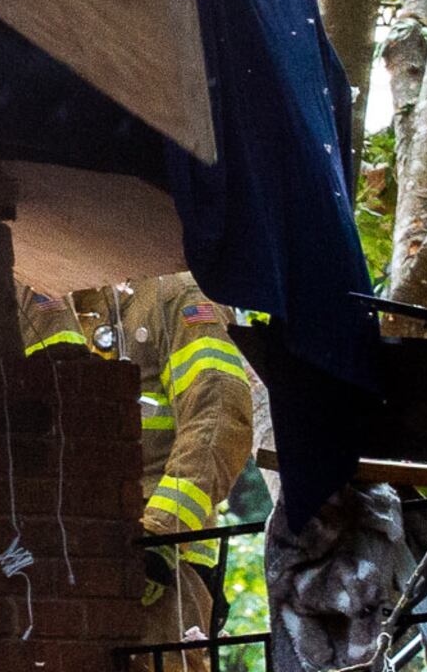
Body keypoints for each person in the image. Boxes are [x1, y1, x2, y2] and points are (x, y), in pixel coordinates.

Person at [22, 273, 259, 641]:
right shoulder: (41, 291)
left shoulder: (175, 295)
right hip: (69, 562)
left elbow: (218, 412)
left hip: (165, 570)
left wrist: (160, 535)